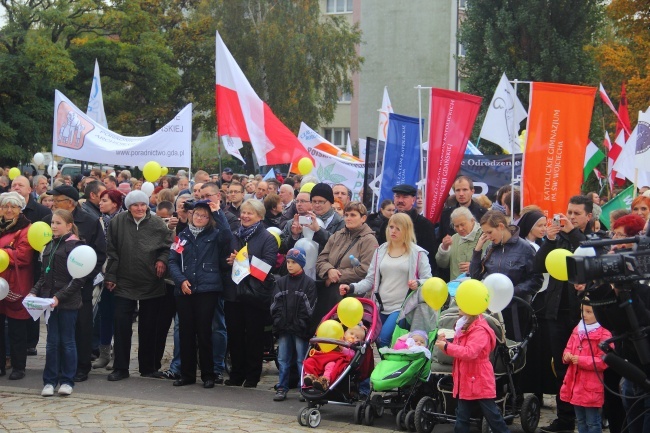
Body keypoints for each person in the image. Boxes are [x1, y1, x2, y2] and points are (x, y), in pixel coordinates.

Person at [536, 195, 601, 432]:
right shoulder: (560, 238)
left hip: (584, 314)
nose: (570, 217)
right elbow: (539, 265)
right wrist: (549, 240)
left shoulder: (593, 237)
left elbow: (590, 253)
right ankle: (565, 419)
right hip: (556, 311)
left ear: (588, 216)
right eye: (569, 212)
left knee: (587, 367)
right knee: (562, 366)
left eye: (576, 213)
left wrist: (572, 232)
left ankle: (592, 417)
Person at [104, 190, 173, 381]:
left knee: (149, 326)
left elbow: (168, 246)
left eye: (143, 204)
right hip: (124, 281)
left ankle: (148, 367)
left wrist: (162, 260)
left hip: (151, 282)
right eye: (135, 205)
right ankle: (120, 368)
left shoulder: (157, 223)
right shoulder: (117, 222)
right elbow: (112, 250)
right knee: (121, 326)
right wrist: (110, 276)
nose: (140, 208)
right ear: (128, 206)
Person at [340, 213, 432, 348]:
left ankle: (389, 367)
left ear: (407, 230)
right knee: (378, 341)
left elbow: (428, 280)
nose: (393, 231)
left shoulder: (418, 253)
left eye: (398, 228)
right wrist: (352, 287)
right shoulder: (380, 250)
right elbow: (370, 280)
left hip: (402, 307)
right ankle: (388, 366)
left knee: (383, 338)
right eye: (391, 227)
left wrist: (417, 283)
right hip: (380, 306)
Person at [44, 185, 106, 383]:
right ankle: (59, 367)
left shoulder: (89, 221)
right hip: (55, 286)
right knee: (57, 328)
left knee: (82, 327)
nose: (53, 204)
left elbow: (100, 253)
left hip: (81, 286)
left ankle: (81, 366)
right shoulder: (49, 221)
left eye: (57, 200)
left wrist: (85, 278)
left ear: (70, 203)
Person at [168, 200, 232, 389]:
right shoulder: (182, 235)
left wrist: (218, 212)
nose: (199, 218)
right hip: (185, 289)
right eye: (197, 214)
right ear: (191, 215)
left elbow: (228, 238)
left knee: (205, 332)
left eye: (204, 216)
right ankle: (187, 374)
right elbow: (172, 260)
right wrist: (180, 281)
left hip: (207, 289)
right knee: (186, 332)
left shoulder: (216, 234)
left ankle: (208, 374)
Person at [29, 210, 86, 397]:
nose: (53, 226)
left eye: (58, 223)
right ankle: (49, 381)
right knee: (52, 342)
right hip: (49, 303)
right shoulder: (49, 246)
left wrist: (59, 296)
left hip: (67, 303)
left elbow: (78, 280)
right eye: (53, 222)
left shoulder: (76, 246)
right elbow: (44, 275)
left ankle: (67, 380)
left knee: (68, 342)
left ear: (69, 225)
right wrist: (33, 292)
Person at [224, 199, 278, 388]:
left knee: (254, 337)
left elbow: (267, 268)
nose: (245, 216)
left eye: (250, 213)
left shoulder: (267, 238)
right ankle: (236, 373)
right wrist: (230, 261)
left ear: (260, 217)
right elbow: (224, 261)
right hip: (233, 294)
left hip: (254, 295)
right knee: (235, 335)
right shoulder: (234, 235)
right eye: (244, 212)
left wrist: (244, 260)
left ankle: (252, 375)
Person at [434, 310, 509, 433]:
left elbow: (470, 352)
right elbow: (460, 349)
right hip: (466, 378)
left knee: (492, 415)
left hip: (479, 378)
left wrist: (447, 347)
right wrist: (445, 343)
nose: (458, 310)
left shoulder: (479, 329)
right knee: (462, 416)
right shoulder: (465, 325)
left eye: (461, 307)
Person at [471, 211, 541, 340]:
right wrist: (477, 250)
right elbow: (475, 276)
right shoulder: (491, 248)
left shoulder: (525, 248)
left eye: (490, 232)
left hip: (516, 308)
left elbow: (536, 280)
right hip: (492, 309)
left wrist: (512, 291)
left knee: (514, 346)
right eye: (484, 233)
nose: (488, 237)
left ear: (501, 226)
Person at [315, 202, 378, 335]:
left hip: (351, 296)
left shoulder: (369, 240)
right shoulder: (337, 235)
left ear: (363, 218)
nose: (348, 218)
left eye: (353, 215)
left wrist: (337, 276)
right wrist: (328, 271)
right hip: (329, 293)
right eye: (346, 215)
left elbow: (365, 270)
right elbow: (321, 259)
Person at [270, 247, 317, 401]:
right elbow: (275, 304)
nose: (290, 265)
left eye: (294, 262)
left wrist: (301, 323)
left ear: (302, 264)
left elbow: (309, 308)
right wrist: (279, 321)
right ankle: (282, 387)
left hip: (300, 330)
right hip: (284, 328)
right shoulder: (281, 282)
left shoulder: (309, 283)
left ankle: (304, 386)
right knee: (283, 359)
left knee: (301, 360)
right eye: (288, 262)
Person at [559, 299, 611, 433]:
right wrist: (567, 356)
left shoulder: (604, 334)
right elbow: (568, 347)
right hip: (575, 384)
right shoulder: (578, 329)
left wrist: (580, 360)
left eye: (589, 312)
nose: (584, 315)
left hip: (591, 386)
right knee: (580, 420)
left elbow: (604, 360)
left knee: (593, 422)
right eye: (582, 311)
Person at [0, 192, 33, 379]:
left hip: (16, 283)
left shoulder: (26, 229)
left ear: (20, 209)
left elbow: (23, 256)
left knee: (16, 328)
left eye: (13, 207)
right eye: (5, 206)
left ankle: (19, 366)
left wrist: (4, 253)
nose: (9, 210)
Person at [92, 189, 124, 370]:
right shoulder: (99, 221)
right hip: (102, 273)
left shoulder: (122, 221)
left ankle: (117, 354)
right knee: (104, 314)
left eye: (105, 200)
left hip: (120, 274)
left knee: (119, 316)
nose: (100, 203)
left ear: (115, 203)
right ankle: (104, 353)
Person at [377, 184, 437, 272]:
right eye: (397, 196)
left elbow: (430, 257)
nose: (400, 200)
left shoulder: (424, 225)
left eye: (405, 197)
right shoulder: (386, 224)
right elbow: (381, 252)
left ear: (413, 200)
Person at [303, 325, 366, 392]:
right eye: (351, 334)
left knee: (330, 365)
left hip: (334, 360)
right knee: (310, 361)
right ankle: (310, 377)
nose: (353, 337)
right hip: (325, 356)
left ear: (360, 341)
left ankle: (324, 381)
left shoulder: (352, 348)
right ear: (344, 334)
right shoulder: (337, 338)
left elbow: (351, 355)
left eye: (357, 337)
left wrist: (343, 348)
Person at [436, 207, 484, 282]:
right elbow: (442, 264)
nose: (460, 229)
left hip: (478, 287)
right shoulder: (454, 239)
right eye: (456, 226)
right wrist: (444, 248)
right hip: (456, 288)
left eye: (463, 224)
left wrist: (476, 267)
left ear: (472, 221)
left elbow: (493, 264)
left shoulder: (485, 236)